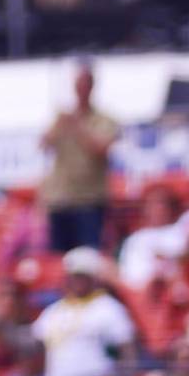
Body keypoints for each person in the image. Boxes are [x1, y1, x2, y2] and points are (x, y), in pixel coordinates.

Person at [32, 247, 135, 376]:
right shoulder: (54, 312)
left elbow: (128, 353)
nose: (77, 281)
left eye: (82, 276)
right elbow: (35, 352)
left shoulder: (108, 308)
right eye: (74, 276)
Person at [39, 61, 120, 252]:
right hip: (60, 199)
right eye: (77, 84)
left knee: (88, 255)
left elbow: (100, 148)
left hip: (89, 200)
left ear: (91, 86)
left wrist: (77, 126)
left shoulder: (104, 119)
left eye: (83, 84)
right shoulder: (62, 118)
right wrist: (59, 126)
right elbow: (44, 144)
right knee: (58, 258)